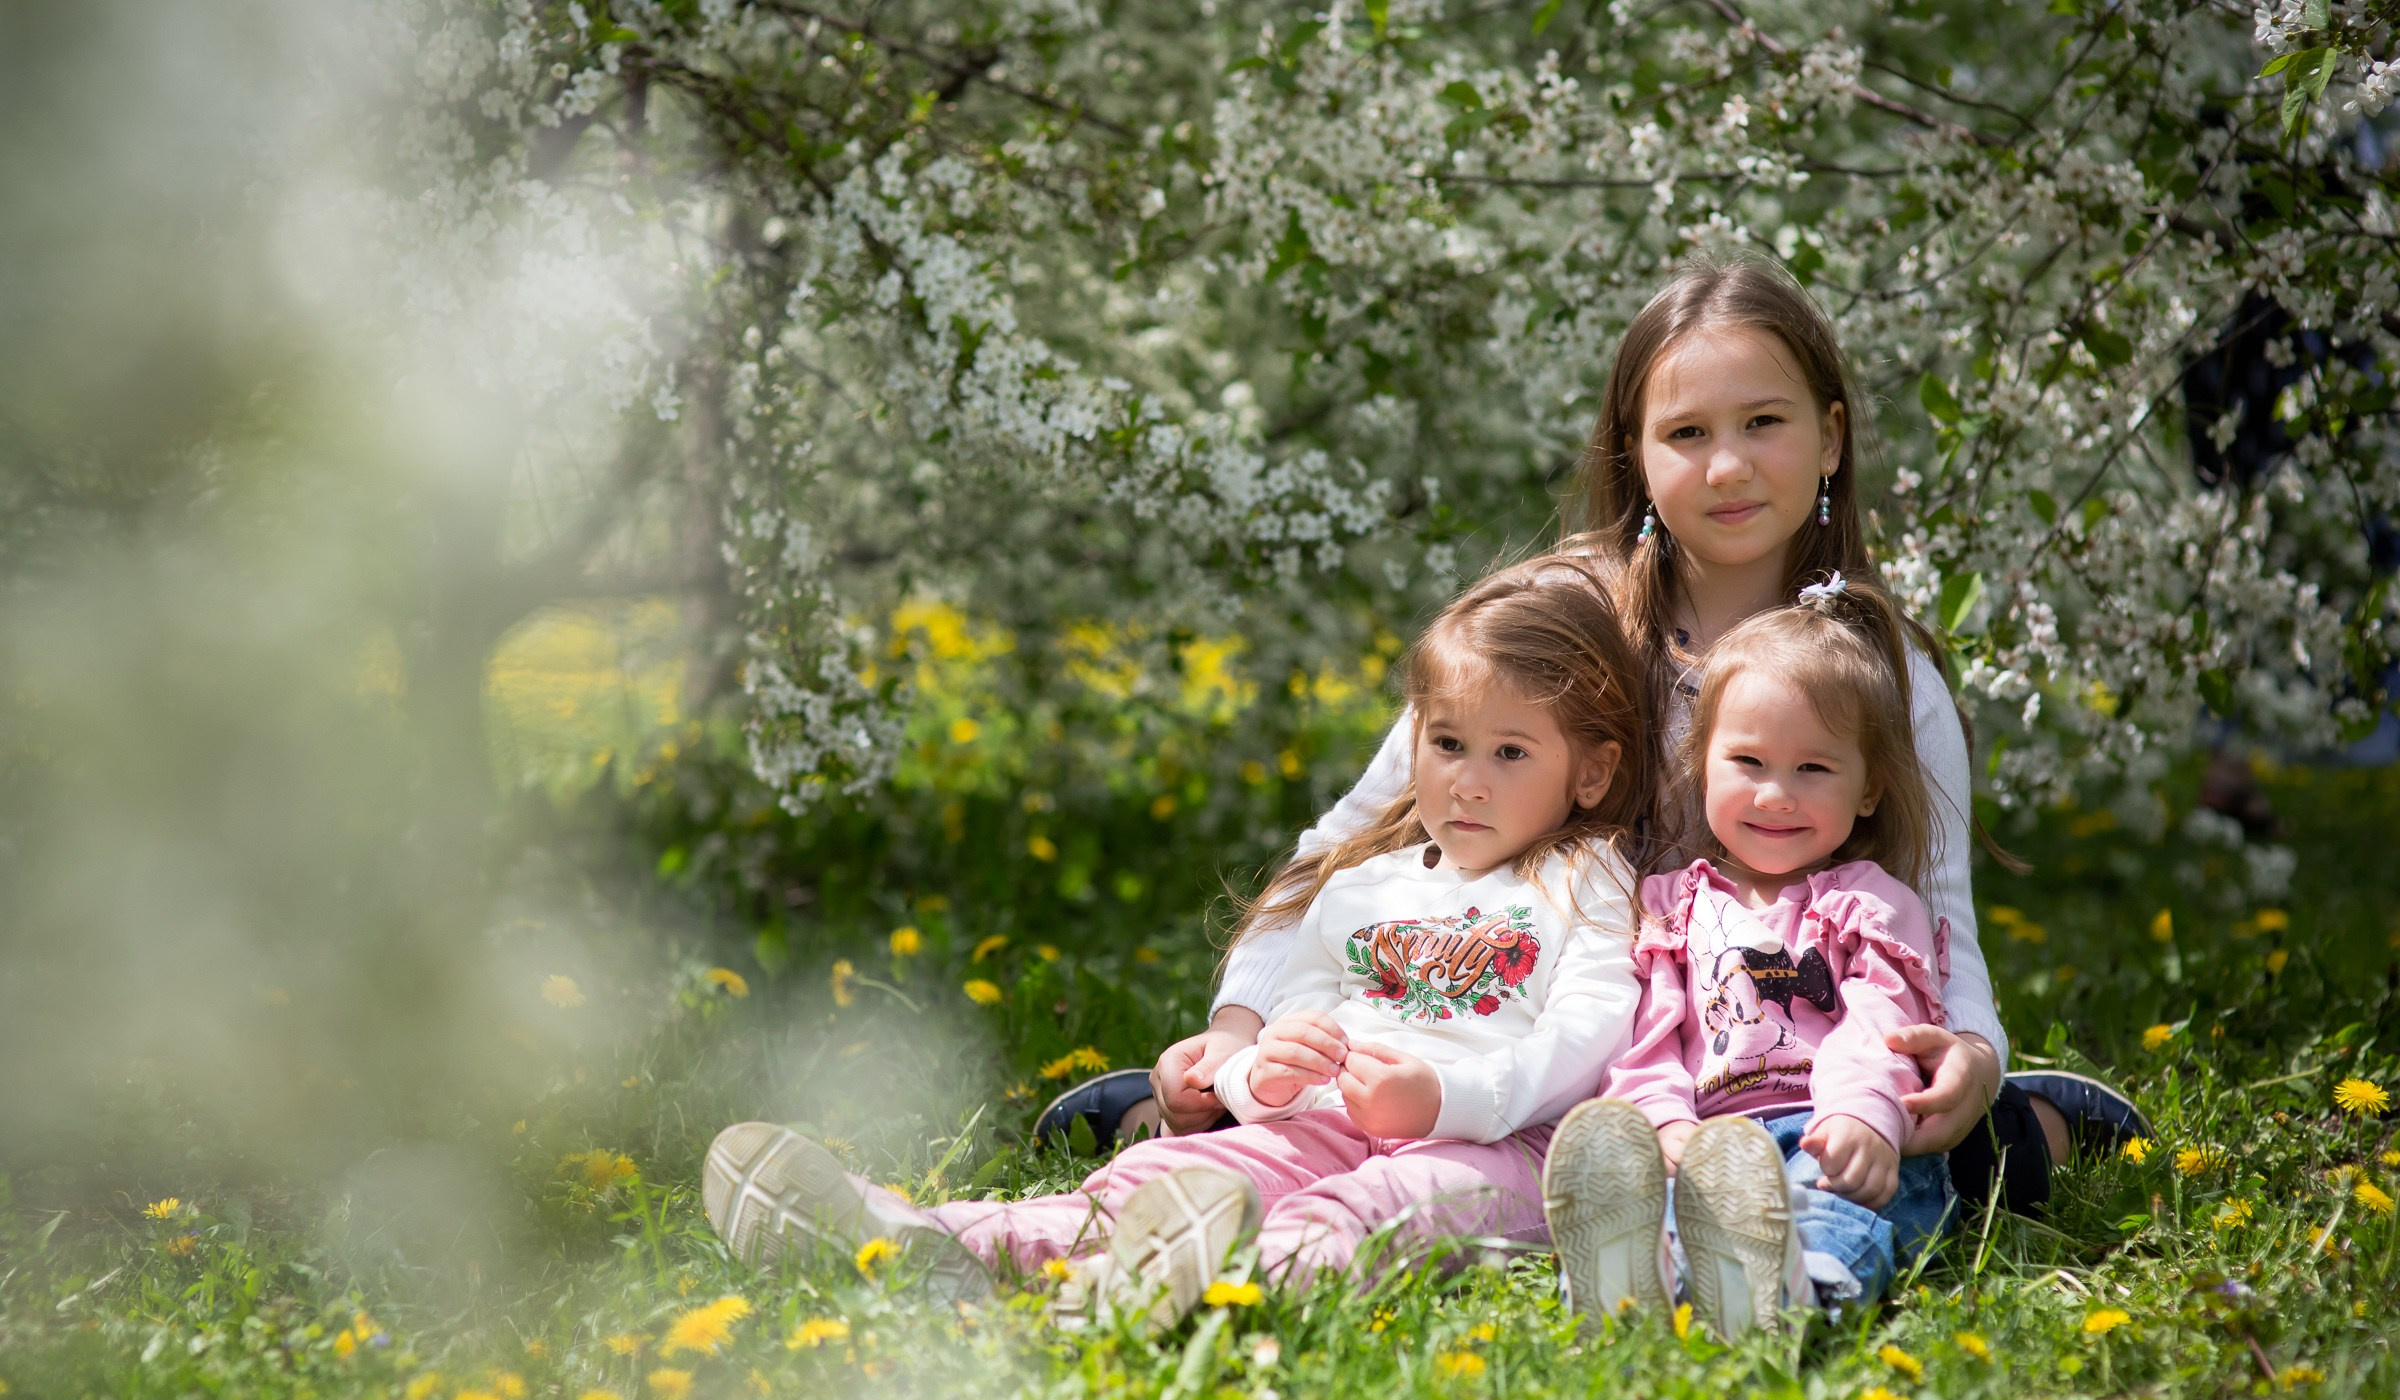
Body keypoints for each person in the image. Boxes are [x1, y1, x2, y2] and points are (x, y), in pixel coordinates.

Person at [1051, 256, 2144, 1209]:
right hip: (1522, 1029)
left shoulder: (1879, 668)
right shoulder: (1558, 621)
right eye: (1686, 433)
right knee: (1347, 1114)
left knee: (1882, 1154)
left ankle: (2035, 1126)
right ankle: (1194, 1115)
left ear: (1831, 438)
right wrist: (1242, 1027)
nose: (1727, 466)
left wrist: (1977, 1062)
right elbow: (1354, 841)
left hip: (1761, 1050)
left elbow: (1939, 915)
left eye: (1764, 422)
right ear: (1635, 453)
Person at [704, 560, 1652, 1326]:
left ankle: (1187, 1295)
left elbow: (1588, 1032)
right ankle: (923, 1239)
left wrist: (1451, 1096)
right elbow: (1299, 1013)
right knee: (1168, 1176)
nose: (1469, 783)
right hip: (1322, 1121)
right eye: (1447, 746)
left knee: (1365, 1214)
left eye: (1511, 753)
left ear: (1594, 771)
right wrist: (1258, 1078)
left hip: (1502, 1144)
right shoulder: (1366, 889)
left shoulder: (1585, 880)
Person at [1545, 577, 1959, 1338]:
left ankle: (1800, 1290)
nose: (1776, 796)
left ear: (1868, 790)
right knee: (1678, 1204)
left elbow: (1883, 1026)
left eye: (1814, 769)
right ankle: (1641, 1284)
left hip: (1830, 1129)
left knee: (1834, 1203)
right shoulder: (1668, 908)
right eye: (1749, 763)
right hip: (1707, 1143)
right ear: (1703, 766)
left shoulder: (1870, 903)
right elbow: (1646, 1038)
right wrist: (1663, 1125)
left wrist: (1863, 1117)